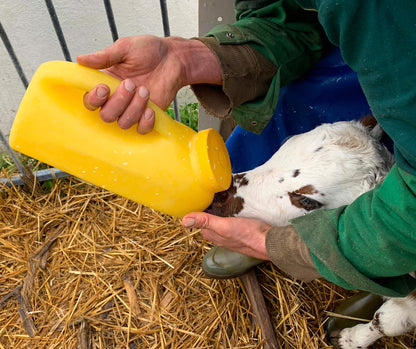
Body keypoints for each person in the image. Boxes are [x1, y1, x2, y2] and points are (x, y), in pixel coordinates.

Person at [78, 0, 416, 309]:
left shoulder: (382, 14)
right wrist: (188, 57)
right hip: (364, 51)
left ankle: (379, 279)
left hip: (398, 56)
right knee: (294, 96)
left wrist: (284, 247)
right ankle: (262, 217)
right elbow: (288, 17)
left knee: (390, 233)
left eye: (307, 203)